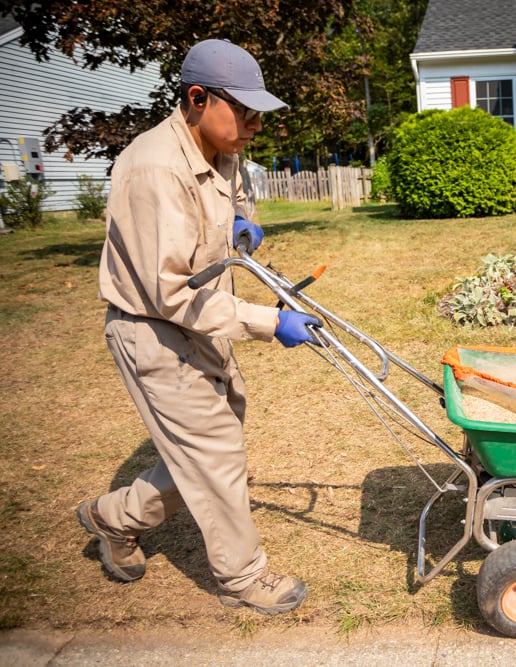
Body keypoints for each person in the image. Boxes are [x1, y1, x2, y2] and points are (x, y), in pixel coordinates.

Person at [76, 39, 319, 616]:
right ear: (196, 97)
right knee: (214, 453)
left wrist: (241, 224)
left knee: (210, 442)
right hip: (153, 327)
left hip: (199, 321)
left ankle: (112, 517)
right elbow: (168, 293)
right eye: (246, 111)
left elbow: (232, 200)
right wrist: (269, 321)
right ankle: (243, 578)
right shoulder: (154, 169)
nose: (256, 125)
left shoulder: (220, 146)